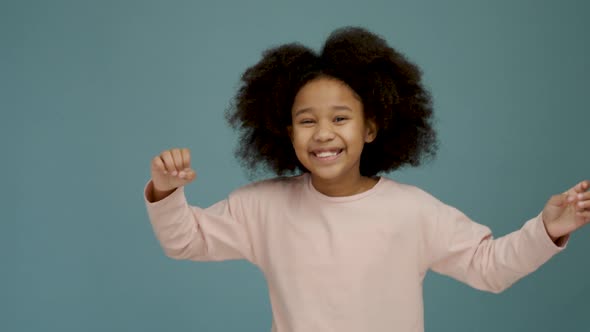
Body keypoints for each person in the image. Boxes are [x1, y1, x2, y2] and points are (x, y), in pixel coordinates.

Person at [143, 27, 589, 332]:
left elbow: (489, 267)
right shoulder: (262, 208)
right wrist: (165, 190)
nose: (323, 133)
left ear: (371, 128)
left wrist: (546, 230)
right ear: (284, 130)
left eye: (340, 117)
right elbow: (186, 241)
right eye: (306, 120)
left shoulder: (412, 211)